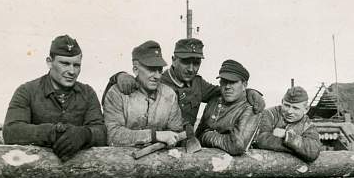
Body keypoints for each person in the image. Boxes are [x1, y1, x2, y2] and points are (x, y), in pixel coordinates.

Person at [101, 38, 265, 126]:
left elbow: (225, 89)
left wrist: (250, 91)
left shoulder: (198, 84)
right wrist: (118, 76)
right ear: (173, 60)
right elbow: (125, 91)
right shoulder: (159, 79)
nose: (191, 69)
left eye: (196, 63)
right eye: (186, 62)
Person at [3, 35, 106, 161]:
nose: (72, 71)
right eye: (65, 64)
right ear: (49, 62)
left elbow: (101, 132)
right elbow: (11, 131)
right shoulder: (27, 91)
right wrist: (53, 133)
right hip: (35, 169)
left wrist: (84, 135)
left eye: (76, 65)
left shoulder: (87, 93)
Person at [103, 40, 183, 147]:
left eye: (160, 70)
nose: (157, 76)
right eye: (151, 69)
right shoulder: (117, 93)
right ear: (135, 69)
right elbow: (113, 135)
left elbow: (175, 132)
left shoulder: (169, 95)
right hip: (122, 160)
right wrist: (155, 136)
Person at [195, 59, 260, 156]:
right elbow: (198, 135)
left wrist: (207, 136)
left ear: (244, 85)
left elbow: (237, 145)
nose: (227, 87)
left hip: (237, 167)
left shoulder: (250, 107)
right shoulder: (214, 101)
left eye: (233, 82)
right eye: (224, 82)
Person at [255, 86, 321, 162]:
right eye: (286, 105)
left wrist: (287, 136)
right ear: (282, 101)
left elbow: (313, 151)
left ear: (306, 109)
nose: (289, 111)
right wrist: (298, 150)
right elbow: (262, 140)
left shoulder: (308, 125)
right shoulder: (269, 114)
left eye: (295, 108)